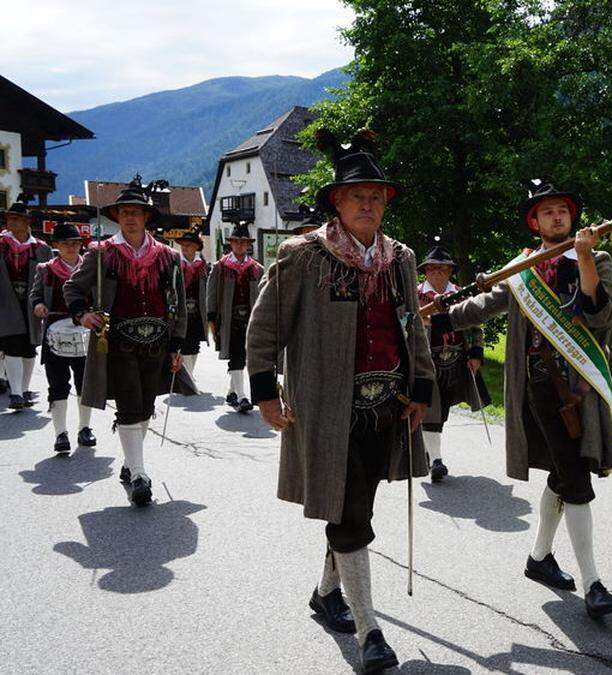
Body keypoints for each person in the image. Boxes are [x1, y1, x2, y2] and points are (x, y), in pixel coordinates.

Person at [246, 129, 434, 673]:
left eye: (377, 197)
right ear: (337, 201)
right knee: (350, 514)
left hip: (388, 408)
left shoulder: (401, 259)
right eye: (358, 197)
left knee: (359, 508)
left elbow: (411, 329)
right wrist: (264, 393)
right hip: (329, 411)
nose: (369, 205)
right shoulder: (302, 256)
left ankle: (326, 593)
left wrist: (420, 389)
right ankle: (370, 632)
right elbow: (263, 331)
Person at [431, 179, 612, 619]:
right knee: (574, 478)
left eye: (563, 210)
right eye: (547, 212)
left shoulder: (598, 258)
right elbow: (482, 306)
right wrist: (440, 319)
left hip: (582, 386)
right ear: (535, 223)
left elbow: (600, 313)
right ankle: (593, 583)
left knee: (565, 472)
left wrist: (588, 255)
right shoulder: (522, 269)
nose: (558, 217)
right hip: (537, 386)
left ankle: (539, 558)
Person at [65, 178, 195, 507]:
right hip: (118, 342)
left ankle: (129, 463)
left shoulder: (168, 257)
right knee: (129, 405)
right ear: (117, 217)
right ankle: (139, 474)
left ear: (146, 217)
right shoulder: (102, 253)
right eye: (124, 212)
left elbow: (178, 303)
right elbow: (72, 289)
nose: (130, 217)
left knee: (147, 407)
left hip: (158, 344)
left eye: (136, 212)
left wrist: (177, 344)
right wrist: (83, 315)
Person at [416, 237, 488, 482]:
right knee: (431, 408)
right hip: (425, 362)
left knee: (443, 409)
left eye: (443, 268)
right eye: (433, 268)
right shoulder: (414, 295)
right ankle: (436, 460)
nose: (438, 272)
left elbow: (475, 325)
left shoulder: (460, 294)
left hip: (456, 361)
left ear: (450, 271)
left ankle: (428, 449)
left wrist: (476, 353)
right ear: (425, 270)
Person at [31, 223, 97, 453]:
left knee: (84, 384)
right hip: (55, 333)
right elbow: (36, 294)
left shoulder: (90, 269)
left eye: (76, 243)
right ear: (56, 245)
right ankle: (60, 433)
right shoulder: (45, 269)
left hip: (85, 333)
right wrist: (38, 305)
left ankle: (85, 428)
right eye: (66, 243)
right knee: (57, 385)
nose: (72, 247)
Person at [0, 194, 53, 409]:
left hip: (31, 303)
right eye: (9, 219)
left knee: (30, 347)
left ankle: (23, 388)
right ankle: (15, 392)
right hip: (5, 302)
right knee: (12, 344)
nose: (11, 223)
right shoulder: (1, 244)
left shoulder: (41, 248)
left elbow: (51, 277)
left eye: (16, 219)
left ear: (26, 222)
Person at [207, 222, 261, 412]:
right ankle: (242, 396)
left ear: (248, 245)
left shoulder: (256, 269)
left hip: (251, 319)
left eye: (243, 242)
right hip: (229, 319)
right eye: (236, 242)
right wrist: (212, 317)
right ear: (231, 244)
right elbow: (211, 294)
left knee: (244, 355)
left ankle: (232, 391)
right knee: (237, 354)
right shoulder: (220, 267)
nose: (239, 245)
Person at [176, 228, 209, 379]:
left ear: (196, 247)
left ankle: (190, 372)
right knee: (182, 343)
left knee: (195, 344)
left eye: (188, 245)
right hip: (180, 311)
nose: (184, 248)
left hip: (197, 311)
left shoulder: (202, 266)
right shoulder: (175, 264)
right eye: (183, 245)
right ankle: (186, 375)